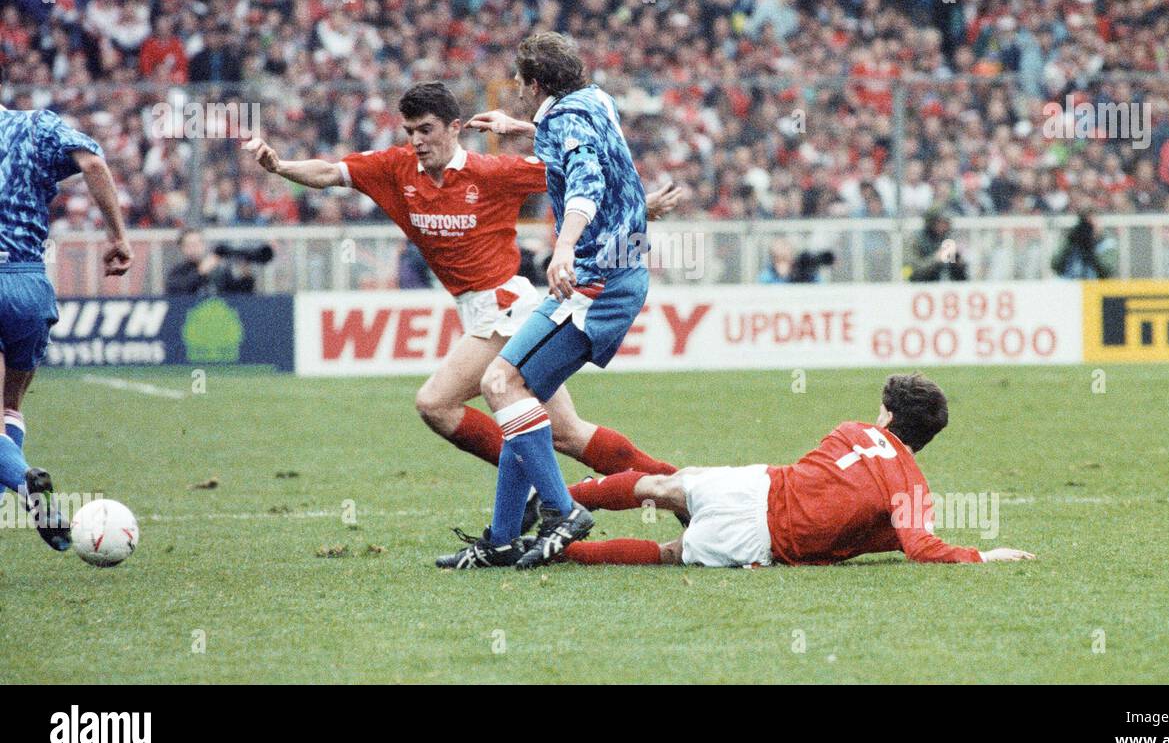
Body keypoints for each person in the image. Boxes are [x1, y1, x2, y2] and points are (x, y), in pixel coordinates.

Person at [245, 81, 682, 536]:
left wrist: (639, 207)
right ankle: (679, 487)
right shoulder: (395, 168)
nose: (417, 141)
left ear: (455, 128)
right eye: (410, 130)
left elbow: (581, 175)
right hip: (484, 312)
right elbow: (330, 172)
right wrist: (280, 166)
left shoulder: (492, 172)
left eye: (427, 130)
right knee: (568, 433)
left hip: (507, 309)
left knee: (436, 402)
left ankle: (543, 490)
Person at [439, 33, 655, 569]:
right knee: (521, 398)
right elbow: (587, 144)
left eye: (520, 83)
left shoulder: (563, 120)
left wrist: (562, 247)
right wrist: (522, 129)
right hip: (620, 272)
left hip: (595, 281)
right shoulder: (596, 99)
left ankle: (564, 512)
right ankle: (504, 538)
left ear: (535, 84)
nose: (517, 90)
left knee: (499, 383)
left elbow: (586, 181)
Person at [559, 373, 1035, 568]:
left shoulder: (852, 430)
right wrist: (985, 555)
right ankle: (561, 556)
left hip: (759, 486)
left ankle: (562, 498)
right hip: (767, 542)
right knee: (669, 553)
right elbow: (919, 547)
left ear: (888, 417)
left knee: (664, 486)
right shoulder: (912, 487)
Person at [0, 105, 132, 551]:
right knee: (9, 405)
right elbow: (93, 162)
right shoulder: (35, 125)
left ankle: (23, 485)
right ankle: (16, 482)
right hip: (28, 283)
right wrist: (117, 236)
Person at [165, 228, 258, 294]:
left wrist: (246, 274)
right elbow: (175, 291)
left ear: (204, 245)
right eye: (189, 245)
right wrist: (200, 272)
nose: (193, 249)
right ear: (182, 248)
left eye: (197, 244)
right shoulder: (178, 271)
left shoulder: (219, 269)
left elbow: (241, 294)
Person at [907, 208, 968, 281]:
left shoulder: (947, 237)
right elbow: (915, 271)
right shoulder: (917, 240)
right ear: (931, 223)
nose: (944, 226)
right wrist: (936, 259)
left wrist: (958, 260)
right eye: (940, 222)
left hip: (946, 286)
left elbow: (961, 275)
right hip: (923, 285)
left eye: (946, 223)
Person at [1051, 212, 1116, 280]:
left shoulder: (1107, 244)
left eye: (1091, 225)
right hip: (1070, 285)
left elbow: (1107, 271)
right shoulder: (1072, 242)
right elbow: (1054, 265)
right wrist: (1069, 243)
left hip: (1095, 287)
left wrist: (1090, 250)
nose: (1088, 230)